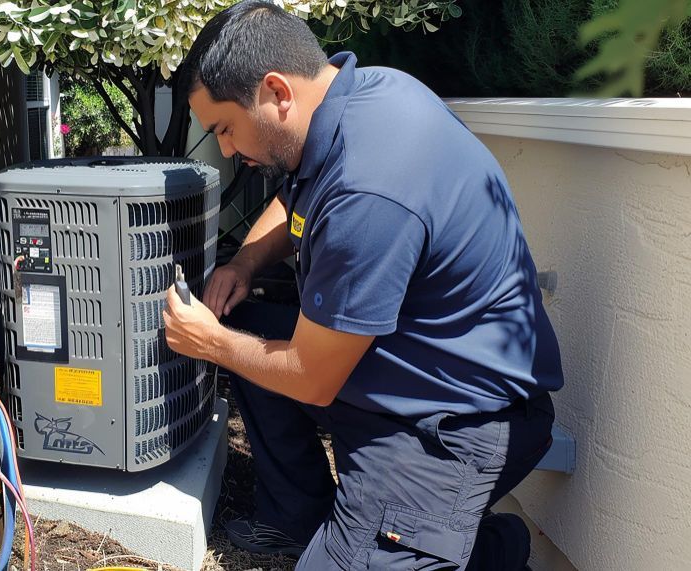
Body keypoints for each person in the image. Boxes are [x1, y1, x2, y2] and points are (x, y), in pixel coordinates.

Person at [162, 1, 564, 569]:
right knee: (246, 323)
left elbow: (312, 377)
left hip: (456, 426)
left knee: (235, 342)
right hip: (405, 366)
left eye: (224, 128)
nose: (225, 149)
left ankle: (489, 552)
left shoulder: (368, 193)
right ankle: (295, 517)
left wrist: (209, 343)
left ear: (277, 92)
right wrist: (244, 264)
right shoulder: (364, 95)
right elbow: (293, 196)